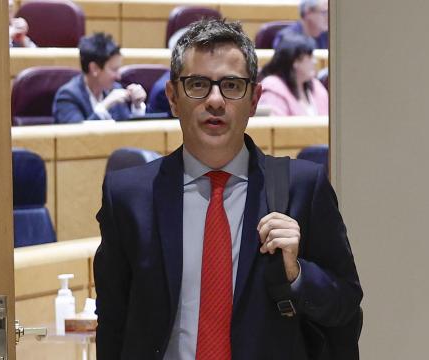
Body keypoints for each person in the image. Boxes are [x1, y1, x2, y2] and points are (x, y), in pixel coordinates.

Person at [93, 19, 361, 359]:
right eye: (198, 84)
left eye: (232, 85)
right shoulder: (129, 197)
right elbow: (113, 323)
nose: (216, 101)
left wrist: (297, 274)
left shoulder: (303, 187)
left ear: (254, 99)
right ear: (173, 98)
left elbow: (346, 305)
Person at [52, 33, 147, 123]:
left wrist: (137, 106)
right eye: (114, 69)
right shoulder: (68, 97)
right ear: (94, 68)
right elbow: (77, 137)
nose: (119, 76)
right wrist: (105, 105)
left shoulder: (115, 89)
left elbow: (129, 134)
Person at [259, 33, 329, 116]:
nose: (315, 61)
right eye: (310, 57)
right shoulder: (273, 88)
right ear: (295, 61)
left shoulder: (316, 85)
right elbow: (276, 127)